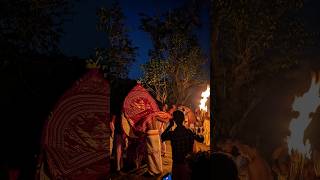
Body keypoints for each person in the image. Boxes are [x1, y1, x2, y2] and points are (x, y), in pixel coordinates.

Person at [161, 110, 203, 180]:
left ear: (174, 120)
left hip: (176, 163)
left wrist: (170, 126)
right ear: (183, 119)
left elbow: (162, 137)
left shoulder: (173, 134)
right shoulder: (189, 132)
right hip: (187, 163)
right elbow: (201, 139)